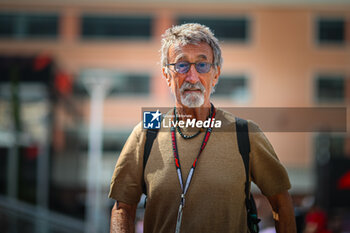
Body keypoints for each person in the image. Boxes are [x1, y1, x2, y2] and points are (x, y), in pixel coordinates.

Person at [109, 23, 297, 233]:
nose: (192, 76)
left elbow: (282, 203)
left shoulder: (244, 132)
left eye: (202, 65)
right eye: (181, 65)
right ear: (166, 75)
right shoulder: (147, 131)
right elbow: (122, 207)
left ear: (215, 74)